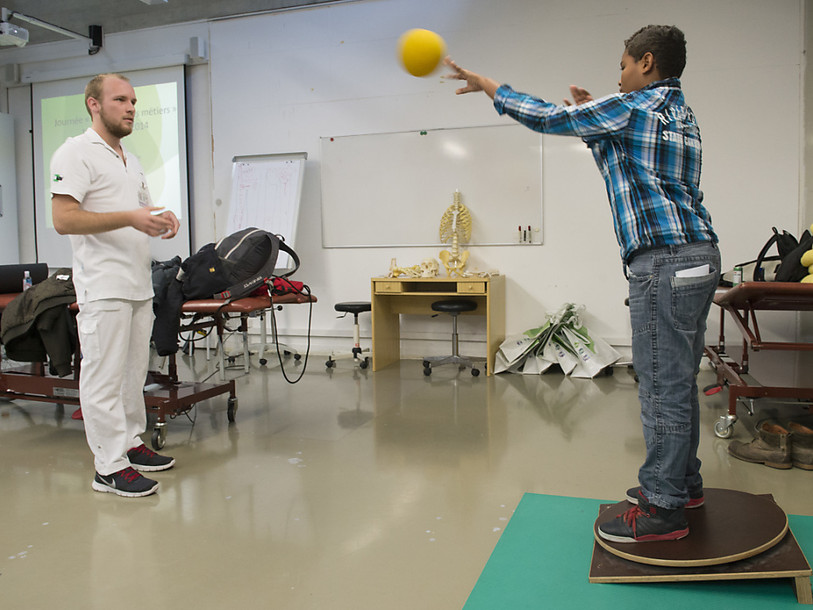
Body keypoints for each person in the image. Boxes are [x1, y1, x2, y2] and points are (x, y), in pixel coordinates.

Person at [445, 25, 720, 542]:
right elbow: (631, 163)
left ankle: (663, 509)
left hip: (663, 262)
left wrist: (489, 87)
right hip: (698, 256)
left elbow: (549, 117)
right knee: (678, 380)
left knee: (660, 387)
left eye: (623, 65)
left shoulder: (632, 107)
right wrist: (598, 116)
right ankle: (684, 485)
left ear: (646, 62)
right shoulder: (679, 114)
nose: (619, 76)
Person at [51, 73, 181, 498]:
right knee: (103, 379)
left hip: (137, 283)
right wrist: (130, 218)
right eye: (120, 100)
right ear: (94, 104)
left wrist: (160, 217)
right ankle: (107, 467)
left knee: (130, 376)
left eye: (134, 102)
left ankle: (128, 443)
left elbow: (138, 210)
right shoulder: (75, 153)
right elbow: (63, 219)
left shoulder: (131, 158)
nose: (130, 109)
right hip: (103, 284)